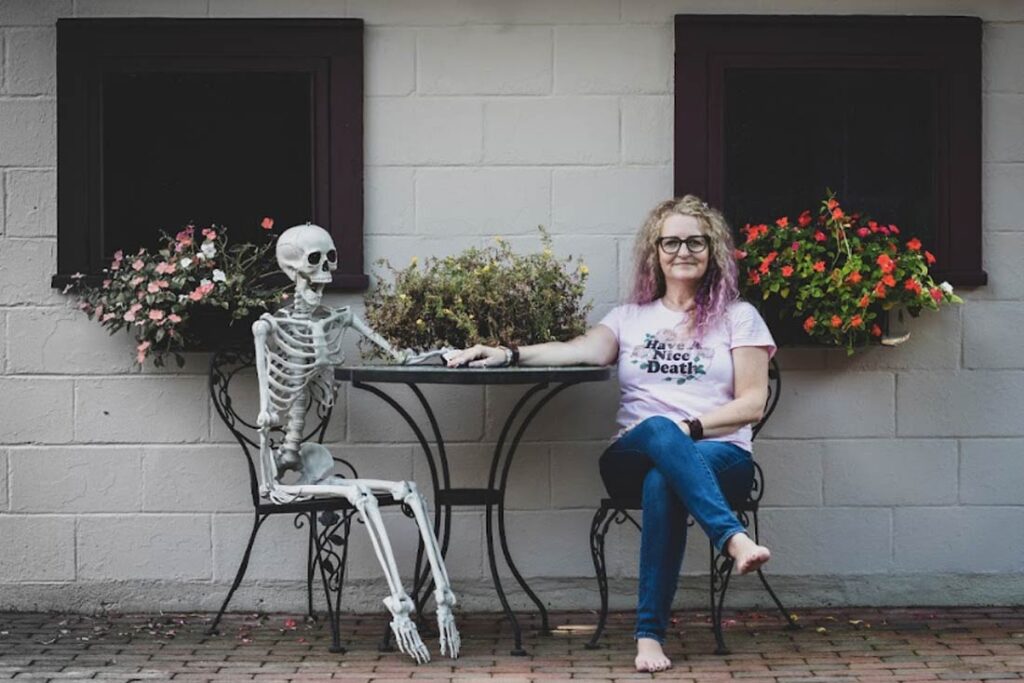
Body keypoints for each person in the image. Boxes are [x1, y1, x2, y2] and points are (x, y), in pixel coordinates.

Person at [444, 196, 775, 673]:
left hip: (722, 456)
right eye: (672, 241)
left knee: (664, 480)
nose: (684, 250)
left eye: (696, 241)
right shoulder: (629, 317)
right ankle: (732, 538)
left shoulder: (738, 316)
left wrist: (689, 428)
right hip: (632, 455)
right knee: (657, 435)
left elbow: (752, 404)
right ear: (655, 252)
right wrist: (507, 353)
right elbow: (576, 350)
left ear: (713, 251)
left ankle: (648, 636)